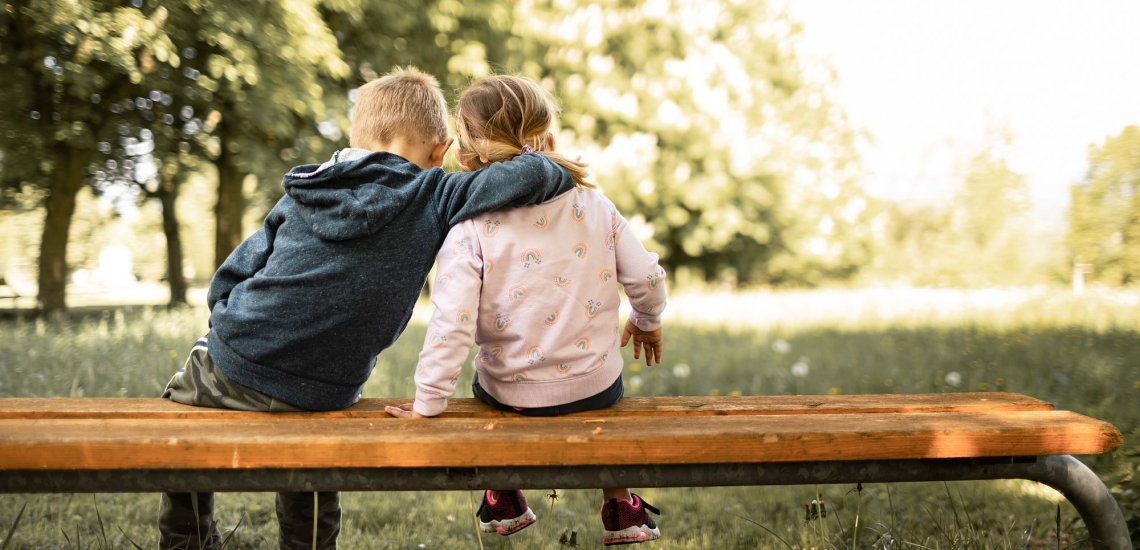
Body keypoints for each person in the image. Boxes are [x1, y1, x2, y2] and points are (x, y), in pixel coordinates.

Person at [157, 67, 576, 550]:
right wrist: (484, 149)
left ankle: (186, 541)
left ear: (357, 139)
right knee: (311, 466)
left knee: (179, 431)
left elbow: (234, 272)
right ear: (440, 152)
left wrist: (229, 324)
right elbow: (545, 172)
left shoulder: (306, 191)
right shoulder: (435, 195)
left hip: (233, 361)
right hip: (326, 388)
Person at [384, 75, 668, 546]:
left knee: (486, 385)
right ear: (550, 141)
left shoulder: (469, 227)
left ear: (465, 155)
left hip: (511, 392)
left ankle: (504, 494)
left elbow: (451, 324)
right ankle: (620, 502)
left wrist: (429, 402)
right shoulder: (594, 205)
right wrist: (647, 319)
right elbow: (647, 278)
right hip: (595, 387)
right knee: (603, 391)